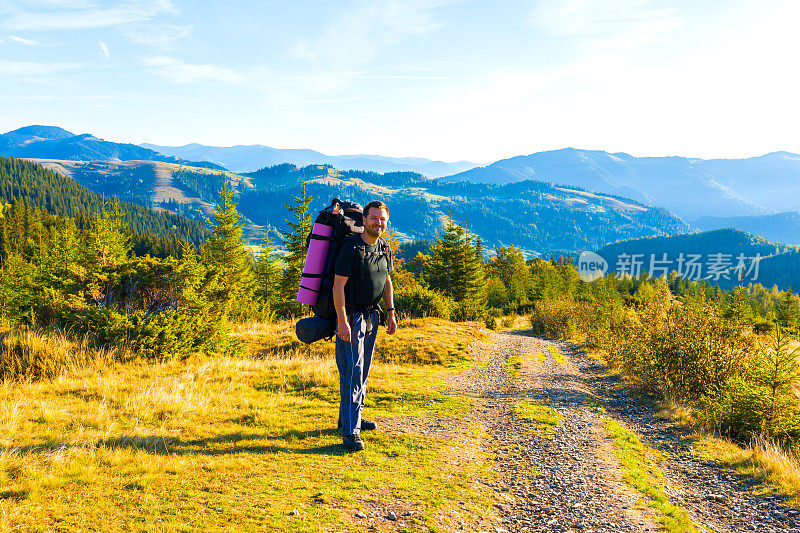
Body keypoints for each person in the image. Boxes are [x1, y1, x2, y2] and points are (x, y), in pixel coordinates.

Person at [332, 200, 397, 451]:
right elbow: (338, 286)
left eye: (382, 219)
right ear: (364, 220)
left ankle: (350, 418)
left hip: (372, 317)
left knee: (363, 370)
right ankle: (351, 432)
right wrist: (342, 320)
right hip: (353, 318)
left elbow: (387, 280)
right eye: (373, 218)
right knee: (352, 372)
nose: (378, 223)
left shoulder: (383, 247)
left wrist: (390, 312)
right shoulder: (351, 248)